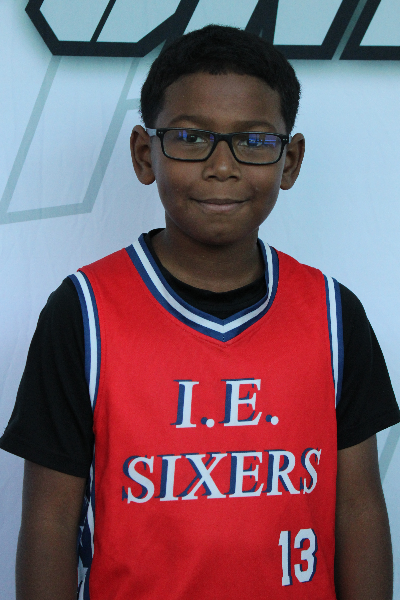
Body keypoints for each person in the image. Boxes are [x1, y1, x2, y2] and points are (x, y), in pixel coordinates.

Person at [1, 24, 399, 600]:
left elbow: (358, 505)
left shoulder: (334, 314)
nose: (222, 166)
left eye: (254, 141)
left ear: (290, 161)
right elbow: (49, 521)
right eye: (190, 137)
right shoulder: (83, 312)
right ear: (145, 154)